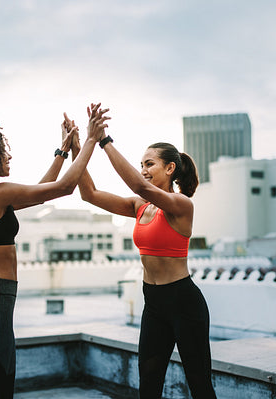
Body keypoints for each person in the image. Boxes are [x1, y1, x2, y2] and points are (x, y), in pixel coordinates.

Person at [0, 104, 109, 399]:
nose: (9, 156)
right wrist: (91, 139)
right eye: (2, 151)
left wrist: (63, 152)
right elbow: (65, 187)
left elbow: (42, 191)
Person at [67, 105, 217, 398]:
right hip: (154, 302)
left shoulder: (181, 205)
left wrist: (104, 141)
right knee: (148, 385)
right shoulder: (140, 206)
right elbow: (90, 194)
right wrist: (80, 145)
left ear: (170, 168)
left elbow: (138, 184)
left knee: (199, 385)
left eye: (150, 164)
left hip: (184, 302)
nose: (144, 171)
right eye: (142, 164)